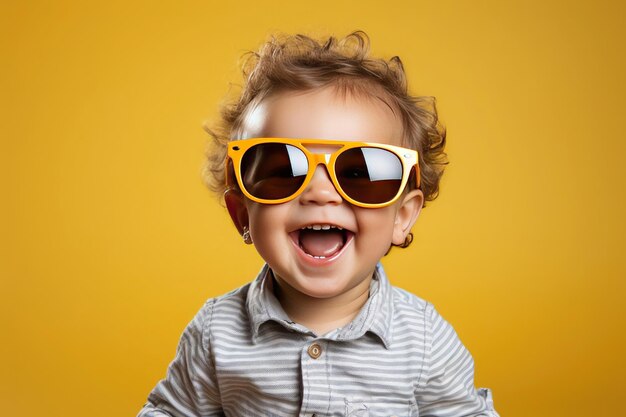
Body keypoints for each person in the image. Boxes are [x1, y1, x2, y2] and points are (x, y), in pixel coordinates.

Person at [138, 31, 499, 417]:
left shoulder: (425, 341)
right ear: (242, 213)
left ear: (403, 216)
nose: (320, 193)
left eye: (360, 173)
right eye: (284, 170)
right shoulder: (217, 333)